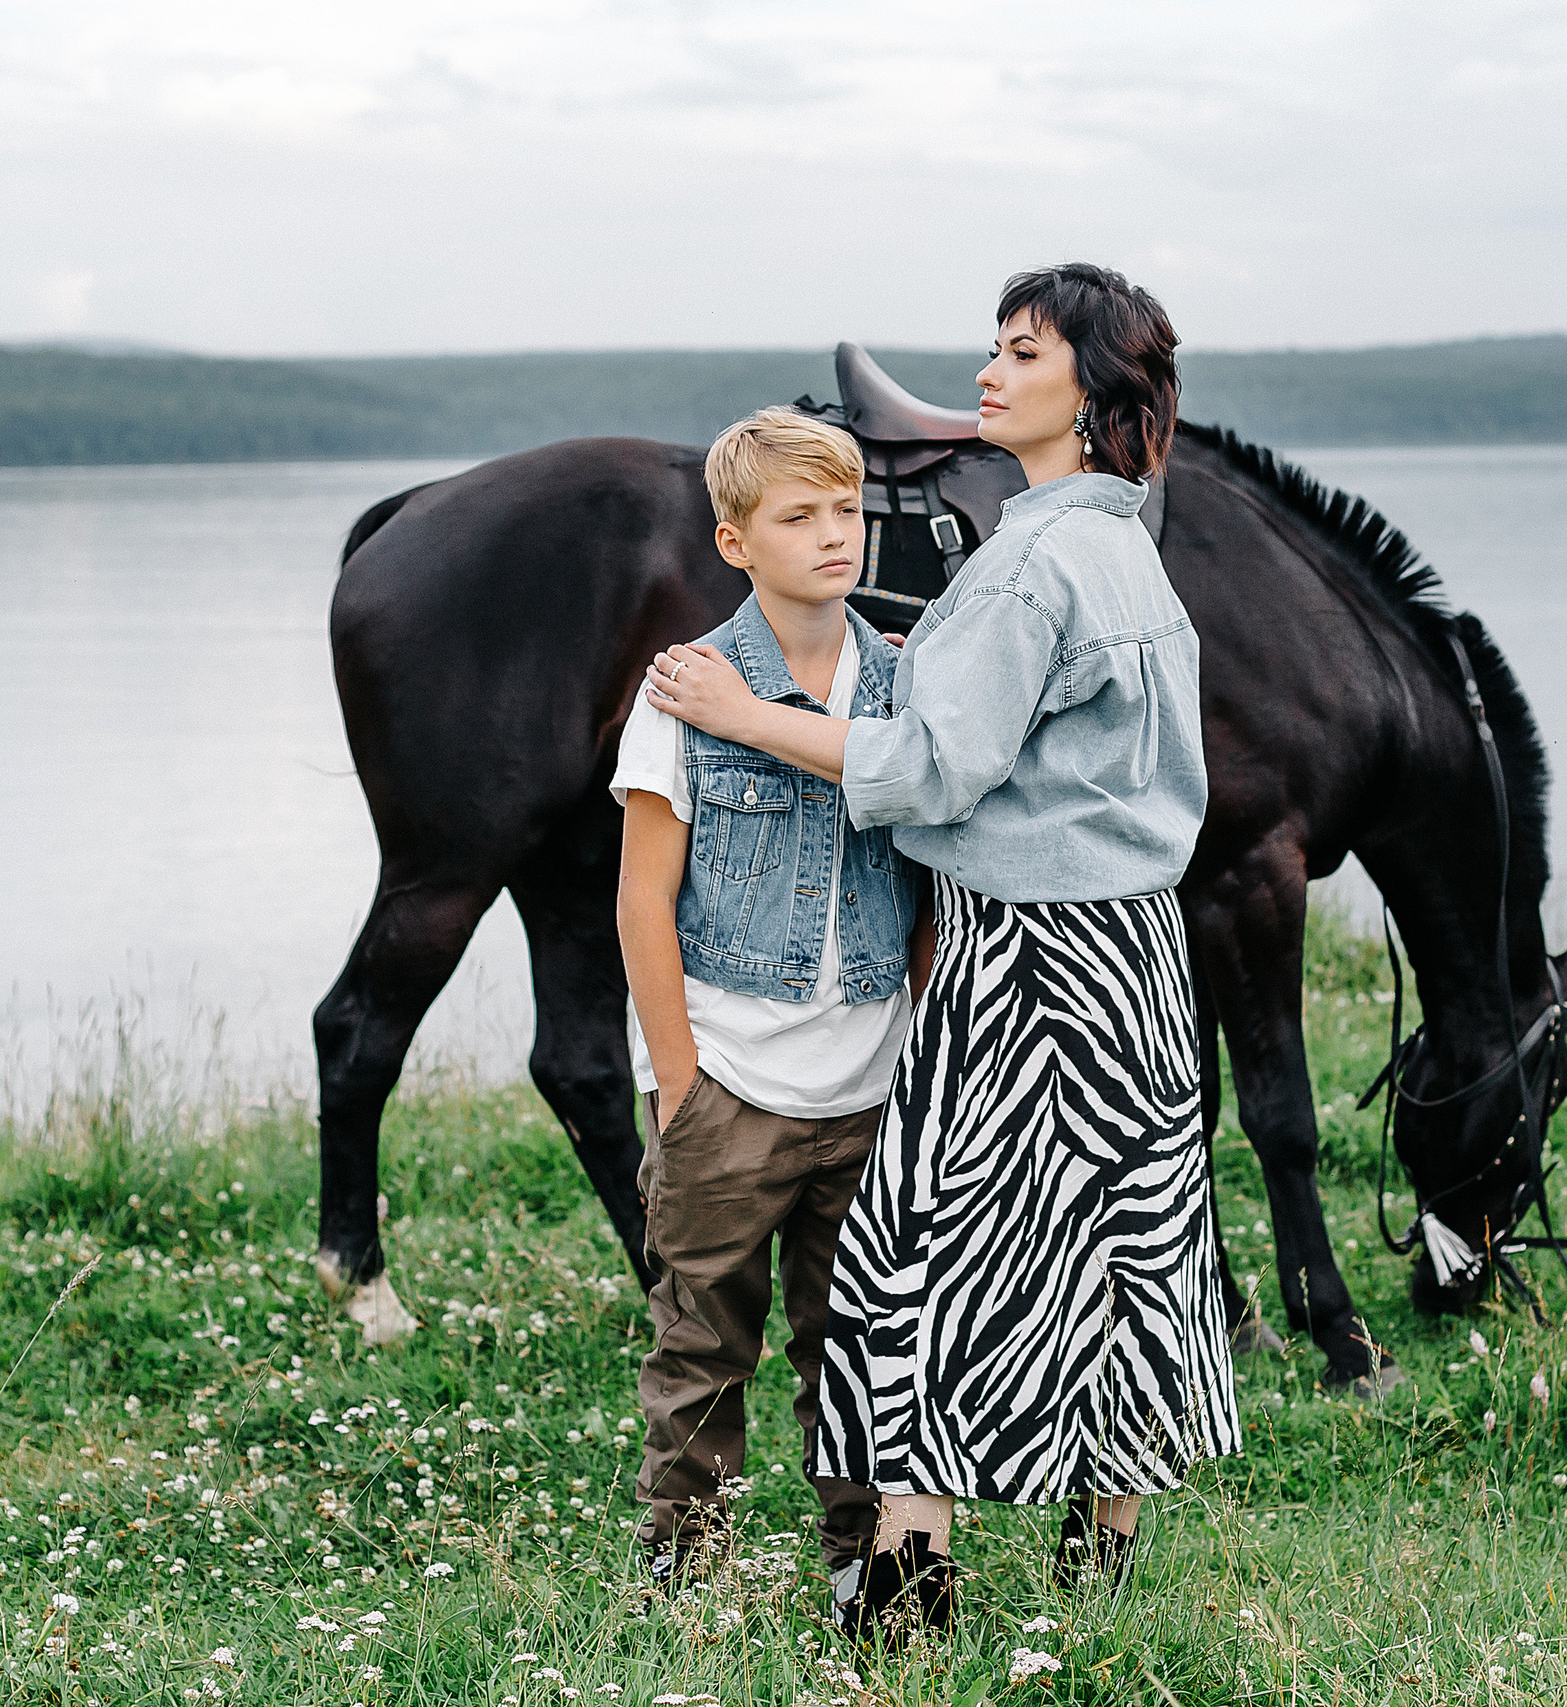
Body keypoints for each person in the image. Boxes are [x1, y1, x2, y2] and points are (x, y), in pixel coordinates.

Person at [644, 263, 1241, 1641]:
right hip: (1135, 963)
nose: (986, 371)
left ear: (1088, 393)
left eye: (1018, 352)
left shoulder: (1031, 559)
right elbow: (1037, 717)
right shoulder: (1121, 541)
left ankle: (904, 1604)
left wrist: (743, 709)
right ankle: (1099, 1587)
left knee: (925, 1252)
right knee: (1123, 1248)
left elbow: (930, 767)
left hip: (1025, 966)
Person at [613, 408, 932, 1614]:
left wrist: (916, 1053)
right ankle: (684, 1571)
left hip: (871, 1087)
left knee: (853, 1343)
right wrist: (682, 1080)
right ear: (735, 540)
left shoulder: (904, 687)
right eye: (799, 517)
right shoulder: (688, 692)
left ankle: (862, 1565)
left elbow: (926, 897)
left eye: (846, 510)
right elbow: (645, 899)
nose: (833, 536)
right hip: (732, 1082)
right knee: (702, 1341)